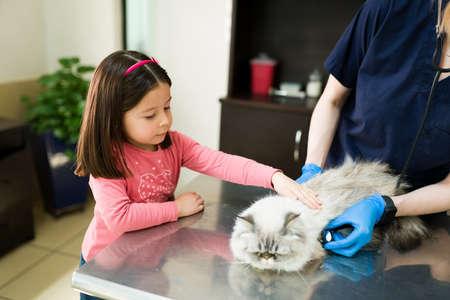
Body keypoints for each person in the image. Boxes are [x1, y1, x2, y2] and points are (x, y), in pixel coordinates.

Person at [74, 50, 320, 300]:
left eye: (167, 107)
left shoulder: (174, 144)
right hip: (105, 268)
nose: (165, 121)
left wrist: (274, 177)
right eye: (150, 115)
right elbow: (120, 218)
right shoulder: (108, 158)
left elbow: (221, 162)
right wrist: (176, 209)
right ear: (115, 118)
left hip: (148, 261)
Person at [296, 0, 450, 257]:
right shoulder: (387, 8)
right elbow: (332, 100)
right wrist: (313, 169)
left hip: (417, 223)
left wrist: (383, 205)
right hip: (338, 195)